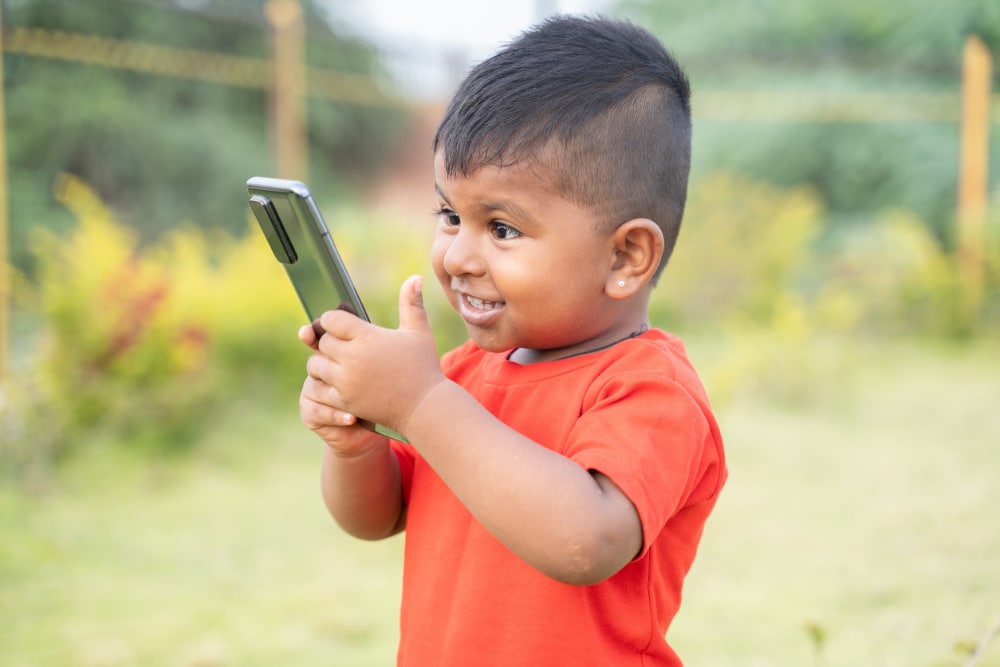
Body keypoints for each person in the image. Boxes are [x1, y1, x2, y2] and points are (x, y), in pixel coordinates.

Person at [298, 14, 727, 666]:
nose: (457, 257)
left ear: (626, 256)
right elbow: (377, 517)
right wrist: (355, 444)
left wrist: (417, 403)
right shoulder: (460, 374)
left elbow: (583, 540)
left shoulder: (651, 392)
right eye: (449, 215)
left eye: (502, 228)